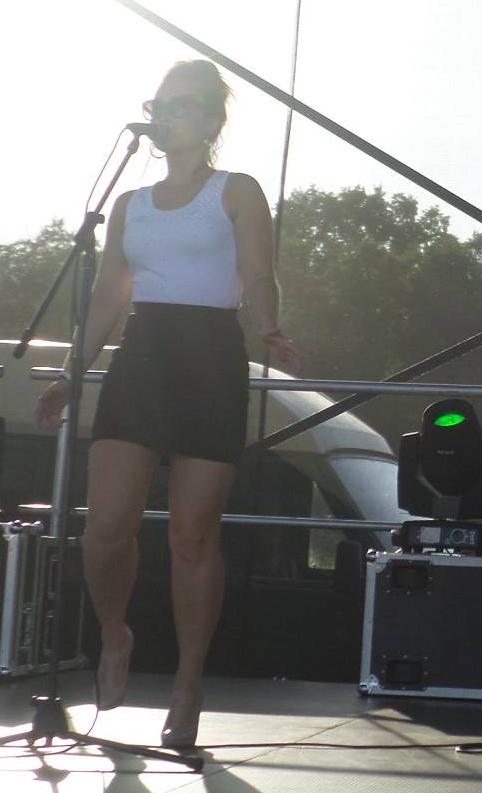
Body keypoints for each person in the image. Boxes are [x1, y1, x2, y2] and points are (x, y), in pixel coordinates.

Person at [34, 59, 300, 750]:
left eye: (182, 105)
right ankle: (114, 634)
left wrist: (271, 326)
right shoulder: (130, 204)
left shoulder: (236, 191)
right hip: (143, 355)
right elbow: (108, 294)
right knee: (106, 527)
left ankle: (188, 681)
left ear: (211, 121)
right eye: (161, 104)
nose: (166, 115)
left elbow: (259, 271)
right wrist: (72, 371)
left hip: (210, 358)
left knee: (191, 537)